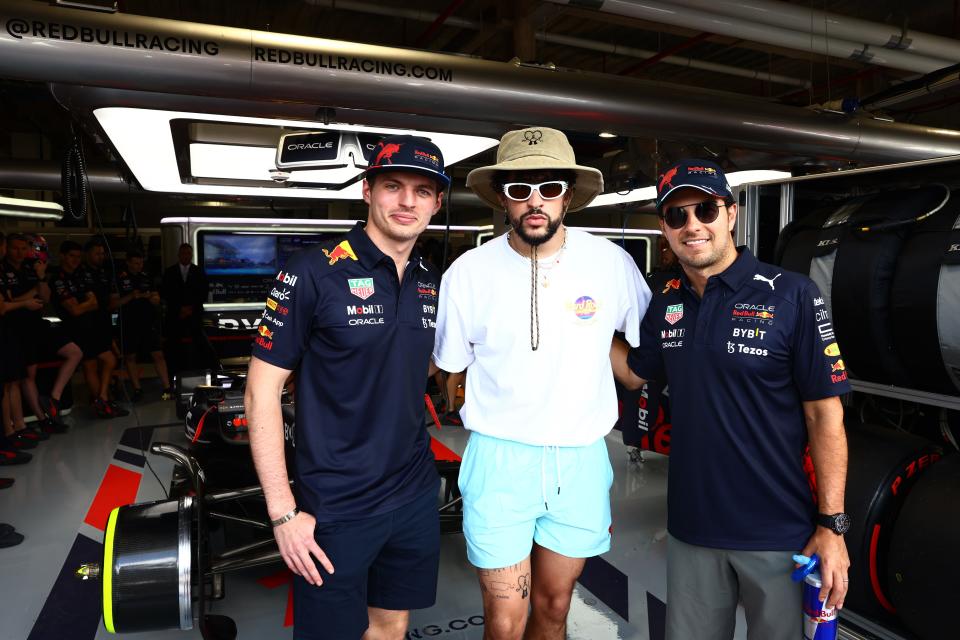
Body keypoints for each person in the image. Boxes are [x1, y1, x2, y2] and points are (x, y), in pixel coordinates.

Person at [611, 159, 851, 640]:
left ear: (731, 214)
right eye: (677, 216)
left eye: (705, 209)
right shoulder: (668, 301)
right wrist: (584, 321)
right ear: (664, 228)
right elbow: (634, 375)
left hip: (778, 534)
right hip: (691, 530)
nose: (692, 225)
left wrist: (833, 526)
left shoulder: (793, 296)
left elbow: (826, 414)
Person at [432, 127, 650, 640]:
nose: (535, 201)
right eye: (519, 189)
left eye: (550, 188)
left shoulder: (612, 263)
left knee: (554, 607)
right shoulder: (467, 273)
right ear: (502, 199)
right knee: (504, 621)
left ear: (568, 196)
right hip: (499, 461)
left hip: (579, 460)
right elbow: (451, 371)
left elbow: (641, 354)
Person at [245, 135, 449, 640]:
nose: (407, 201)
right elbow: (260, 392)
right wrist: (283, 512)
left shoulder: (431, 279)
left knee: (391, 624)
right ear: (367, 190)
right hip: (335, 506)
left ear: (437, 203)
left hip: (416, 492)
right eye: (393, 186)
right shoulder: (312, 271)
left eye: (422, 191)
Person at [1, 234, 82, 431]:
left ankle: (53, 399)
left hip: (39, 323)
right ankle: (43, 419)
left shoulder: (31, 268)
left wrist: (40, 277)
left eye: (23, 248)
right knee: (28, 374)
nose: (20, 252)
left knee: (75, 352)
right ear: (7, 249)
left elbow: (45, 297)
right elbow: (9, 303)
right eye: (15, 248)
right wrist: (31, 293)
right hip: (17, 327)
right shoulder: (4, 270)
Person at [48, 241, 123, 418]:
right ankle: (102, 402)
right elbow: (74, 310)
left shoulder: (80, 274)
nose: (75, 260)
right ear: (62, 256)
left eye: (77, 257)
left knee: (108, 360)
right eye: (71, 256)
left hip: (90, 327)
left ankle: (102, 399)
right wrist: (86, 304)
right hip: (73, 330)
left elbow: (94, 303)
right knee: (96, 363)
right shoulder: (58, 278)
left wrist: (85, 305)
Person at [113, 249, 173, 400]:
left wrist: (153, 298)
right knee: (130, 357)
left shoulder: (146, 277)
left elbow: (157, 298)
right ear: (128, 263)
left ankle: (167, 387)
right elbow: (113, 304)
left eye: (141, 263)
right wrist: (133, 296)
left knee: (158, 354)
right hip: (128, 323)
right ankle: (137, 389)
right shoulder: (119, 279)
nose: (138, 266)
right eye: (135, 263)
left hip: (148, 322)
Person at [161, 243, 214, 375]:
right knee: (173, 346)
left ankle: (199, 371)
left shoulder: (199, 272)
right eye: (183, 253)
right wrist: (180, 309)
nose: (186, 256)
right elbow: (166, 293)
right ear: (179, 255)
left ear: (192, 255)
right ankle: (174, 373)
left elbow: (203, 292)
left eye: (188, 253)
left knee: (199, 344)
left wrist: (190, 308)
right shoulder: (169, 272)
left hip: (194, 313)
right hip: (175, 314)